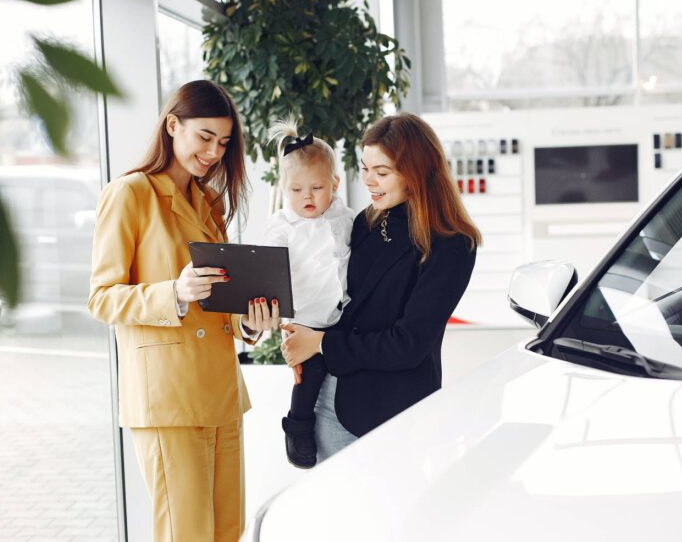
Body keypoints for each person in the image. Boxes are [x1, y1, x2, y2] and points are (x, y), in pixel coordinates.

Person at [87, 80, 278, 542]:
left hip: (221, 394)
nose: (214, 152)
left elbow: (221, 296)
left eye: (224, 142)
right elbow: (101, 297)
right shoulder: (130, 194)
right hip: (167, 398)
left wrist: (249, 323)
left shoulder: (209, 201)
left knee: (227, 532)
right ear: (173, 125)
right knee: (185, 534)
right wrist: (173, 291)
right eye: (205, 137)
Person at [281, 112, 481, 461]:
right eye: (365, 168)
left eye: (382, 172)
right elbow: (340, 302)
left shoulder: (452, 244)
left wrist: (321, 343)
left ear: (417, 172)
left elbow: (408, 344)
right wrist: (301, 332)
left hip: (395, 413)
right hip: (331, 400)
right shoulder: (368, 221)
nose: (370, 181)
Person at [264, 119, 354, 468]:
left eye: (317, 188)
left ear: (334, 183)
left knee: (344, 369)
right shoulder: (283, 225)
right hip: (305, 319)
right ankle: (298, 427)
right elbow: (268, 263)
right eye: (297, 190)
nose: (308, 198)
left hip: (344, 315)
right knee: (309, 376)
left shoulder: (344, 217)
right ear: (285, 189)